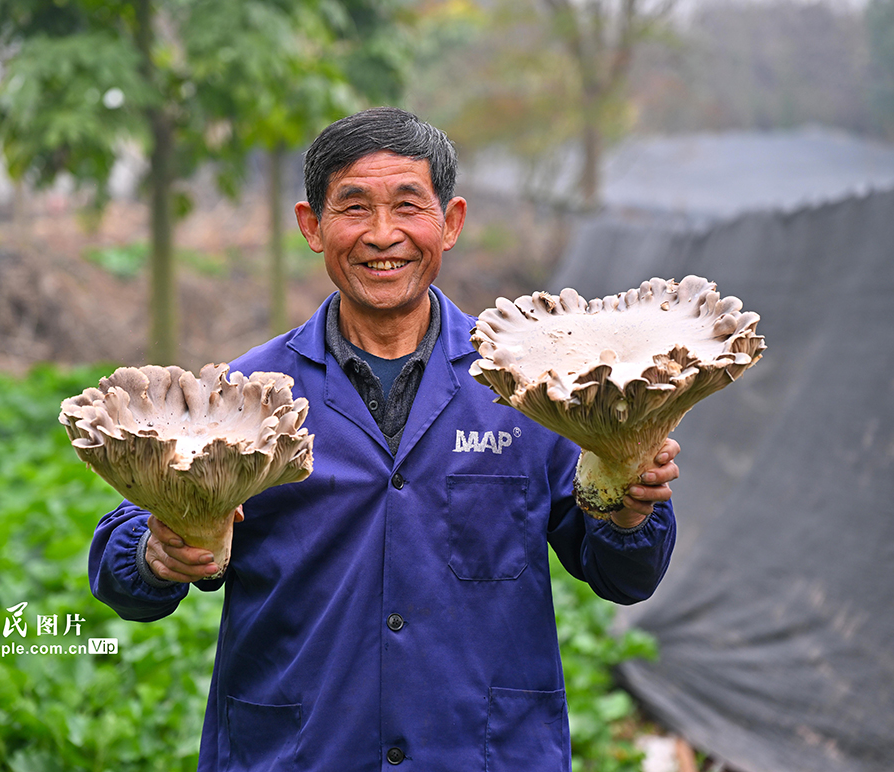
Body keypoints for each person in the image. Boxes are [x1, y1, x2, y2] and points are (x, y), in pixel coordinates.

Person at [89, 106, 678, 771]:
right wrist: (155, 554)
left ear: (450, 222)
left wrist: (629, 512)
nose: (382, 235)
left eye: (407, 205)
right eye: (353, 208)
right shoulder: (250, 393)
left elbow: (624, 577)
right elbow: (123, 566)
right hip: (299, 754)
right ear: (312, 225)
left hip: (482, 754)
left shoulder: (530, 382)